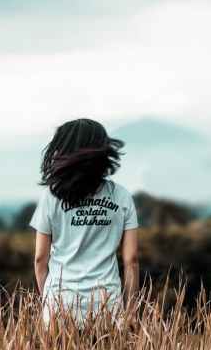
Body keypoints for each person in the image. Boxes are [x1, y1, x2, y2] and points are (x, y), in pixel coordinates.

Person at [29, 118, 140, 327]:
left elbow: (39, 258)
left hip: (60, 306)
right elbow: (131, 260)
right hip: (107, 306)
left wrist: (48, 301)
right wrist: (131, 311)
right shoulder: (122, 196)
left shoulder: (51, 197)